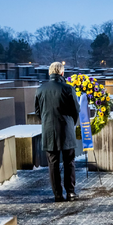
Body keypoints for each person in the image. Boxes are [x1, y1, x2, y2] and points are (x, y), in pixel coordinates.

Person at [35, 62, 80, 202]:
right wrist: (71, 122)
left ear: (50, 73)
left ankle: (57, 194)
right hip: (66, 129)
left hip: (48, 130)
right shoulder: (68, 88)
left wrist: (46, 121)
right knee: (69, 162)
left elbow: (38, 112)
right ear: (62, 73)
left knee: (53, 163)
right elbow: (75, 110)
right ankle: (70, 192)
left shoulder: (40, 89)